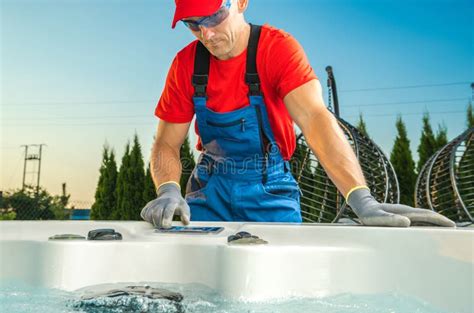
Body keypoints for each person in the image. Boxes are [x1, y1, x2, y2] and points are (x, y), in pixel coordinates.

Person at [141, 0, 455, 229]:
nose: (206, 34)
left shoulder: (277, 50)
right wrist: (168, 190)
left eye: (214, 17)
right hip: (209, 193)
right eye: (193, 24)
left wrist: (360, 198)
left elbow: (316, 119)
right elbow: (167, 143)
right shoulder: (185, 65)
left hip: (270, 192)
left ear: (240, 3)